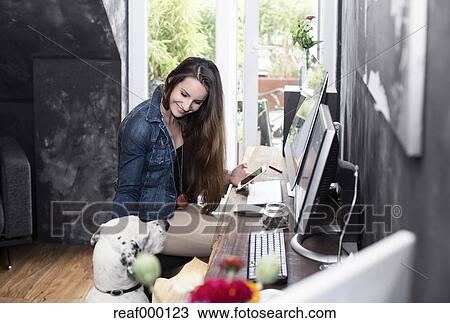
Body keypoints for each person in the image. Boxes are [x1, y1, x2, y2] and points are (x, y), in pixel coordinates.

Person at [113, 57, 247, 257]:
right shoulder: (140, 125)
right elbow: (127, 192)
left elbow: (184, 171)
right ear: (171, 80)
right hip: (150, 223)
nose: (186, 105)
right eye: (184, 94)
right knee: (235, 242)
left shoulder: (186, 120)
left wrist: (228, 177)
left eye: (197, 102)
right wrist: (123, 244)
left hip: (177, 211)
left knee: (241, 233)